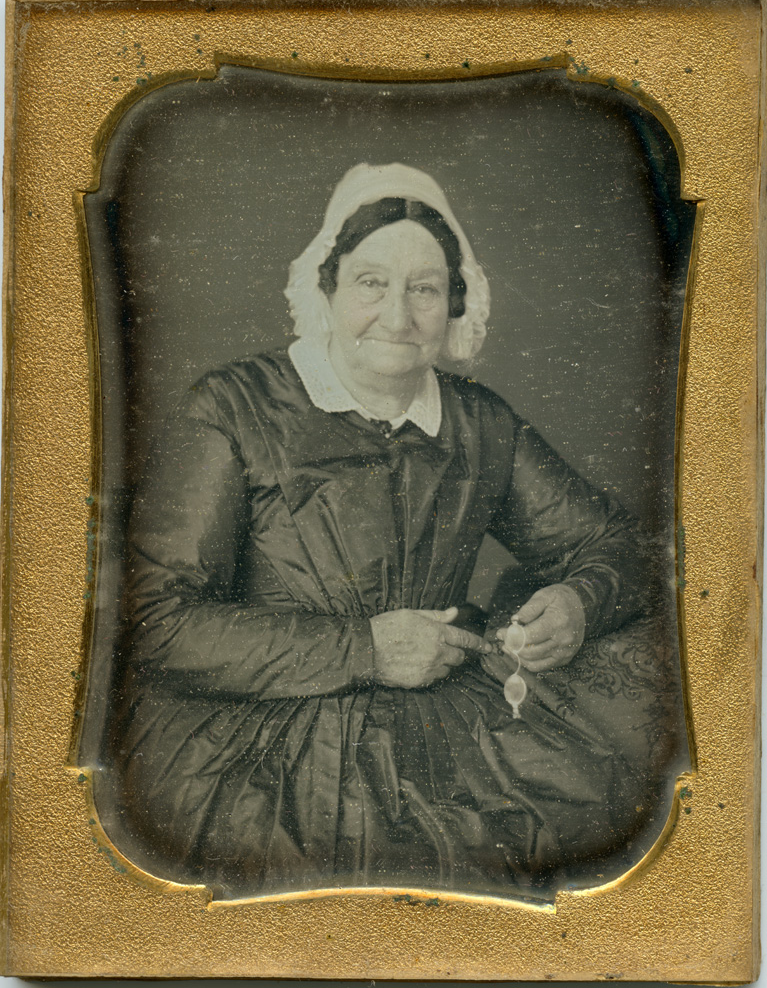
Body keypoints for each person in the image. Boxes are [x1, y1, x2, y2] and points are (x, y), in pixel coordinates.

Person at [110, 163, 664, 899]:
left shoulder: (478, 422)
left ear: (454, 303)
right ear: (327, 289)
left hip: (445, 728)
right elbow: (156, 622)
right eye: (371, 283)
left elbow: (619, 545)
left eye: (424, 289)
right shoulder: (234, 407)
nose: (398, 318)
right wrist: (364, 648)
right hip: (259, 741)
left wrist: (578, 603)